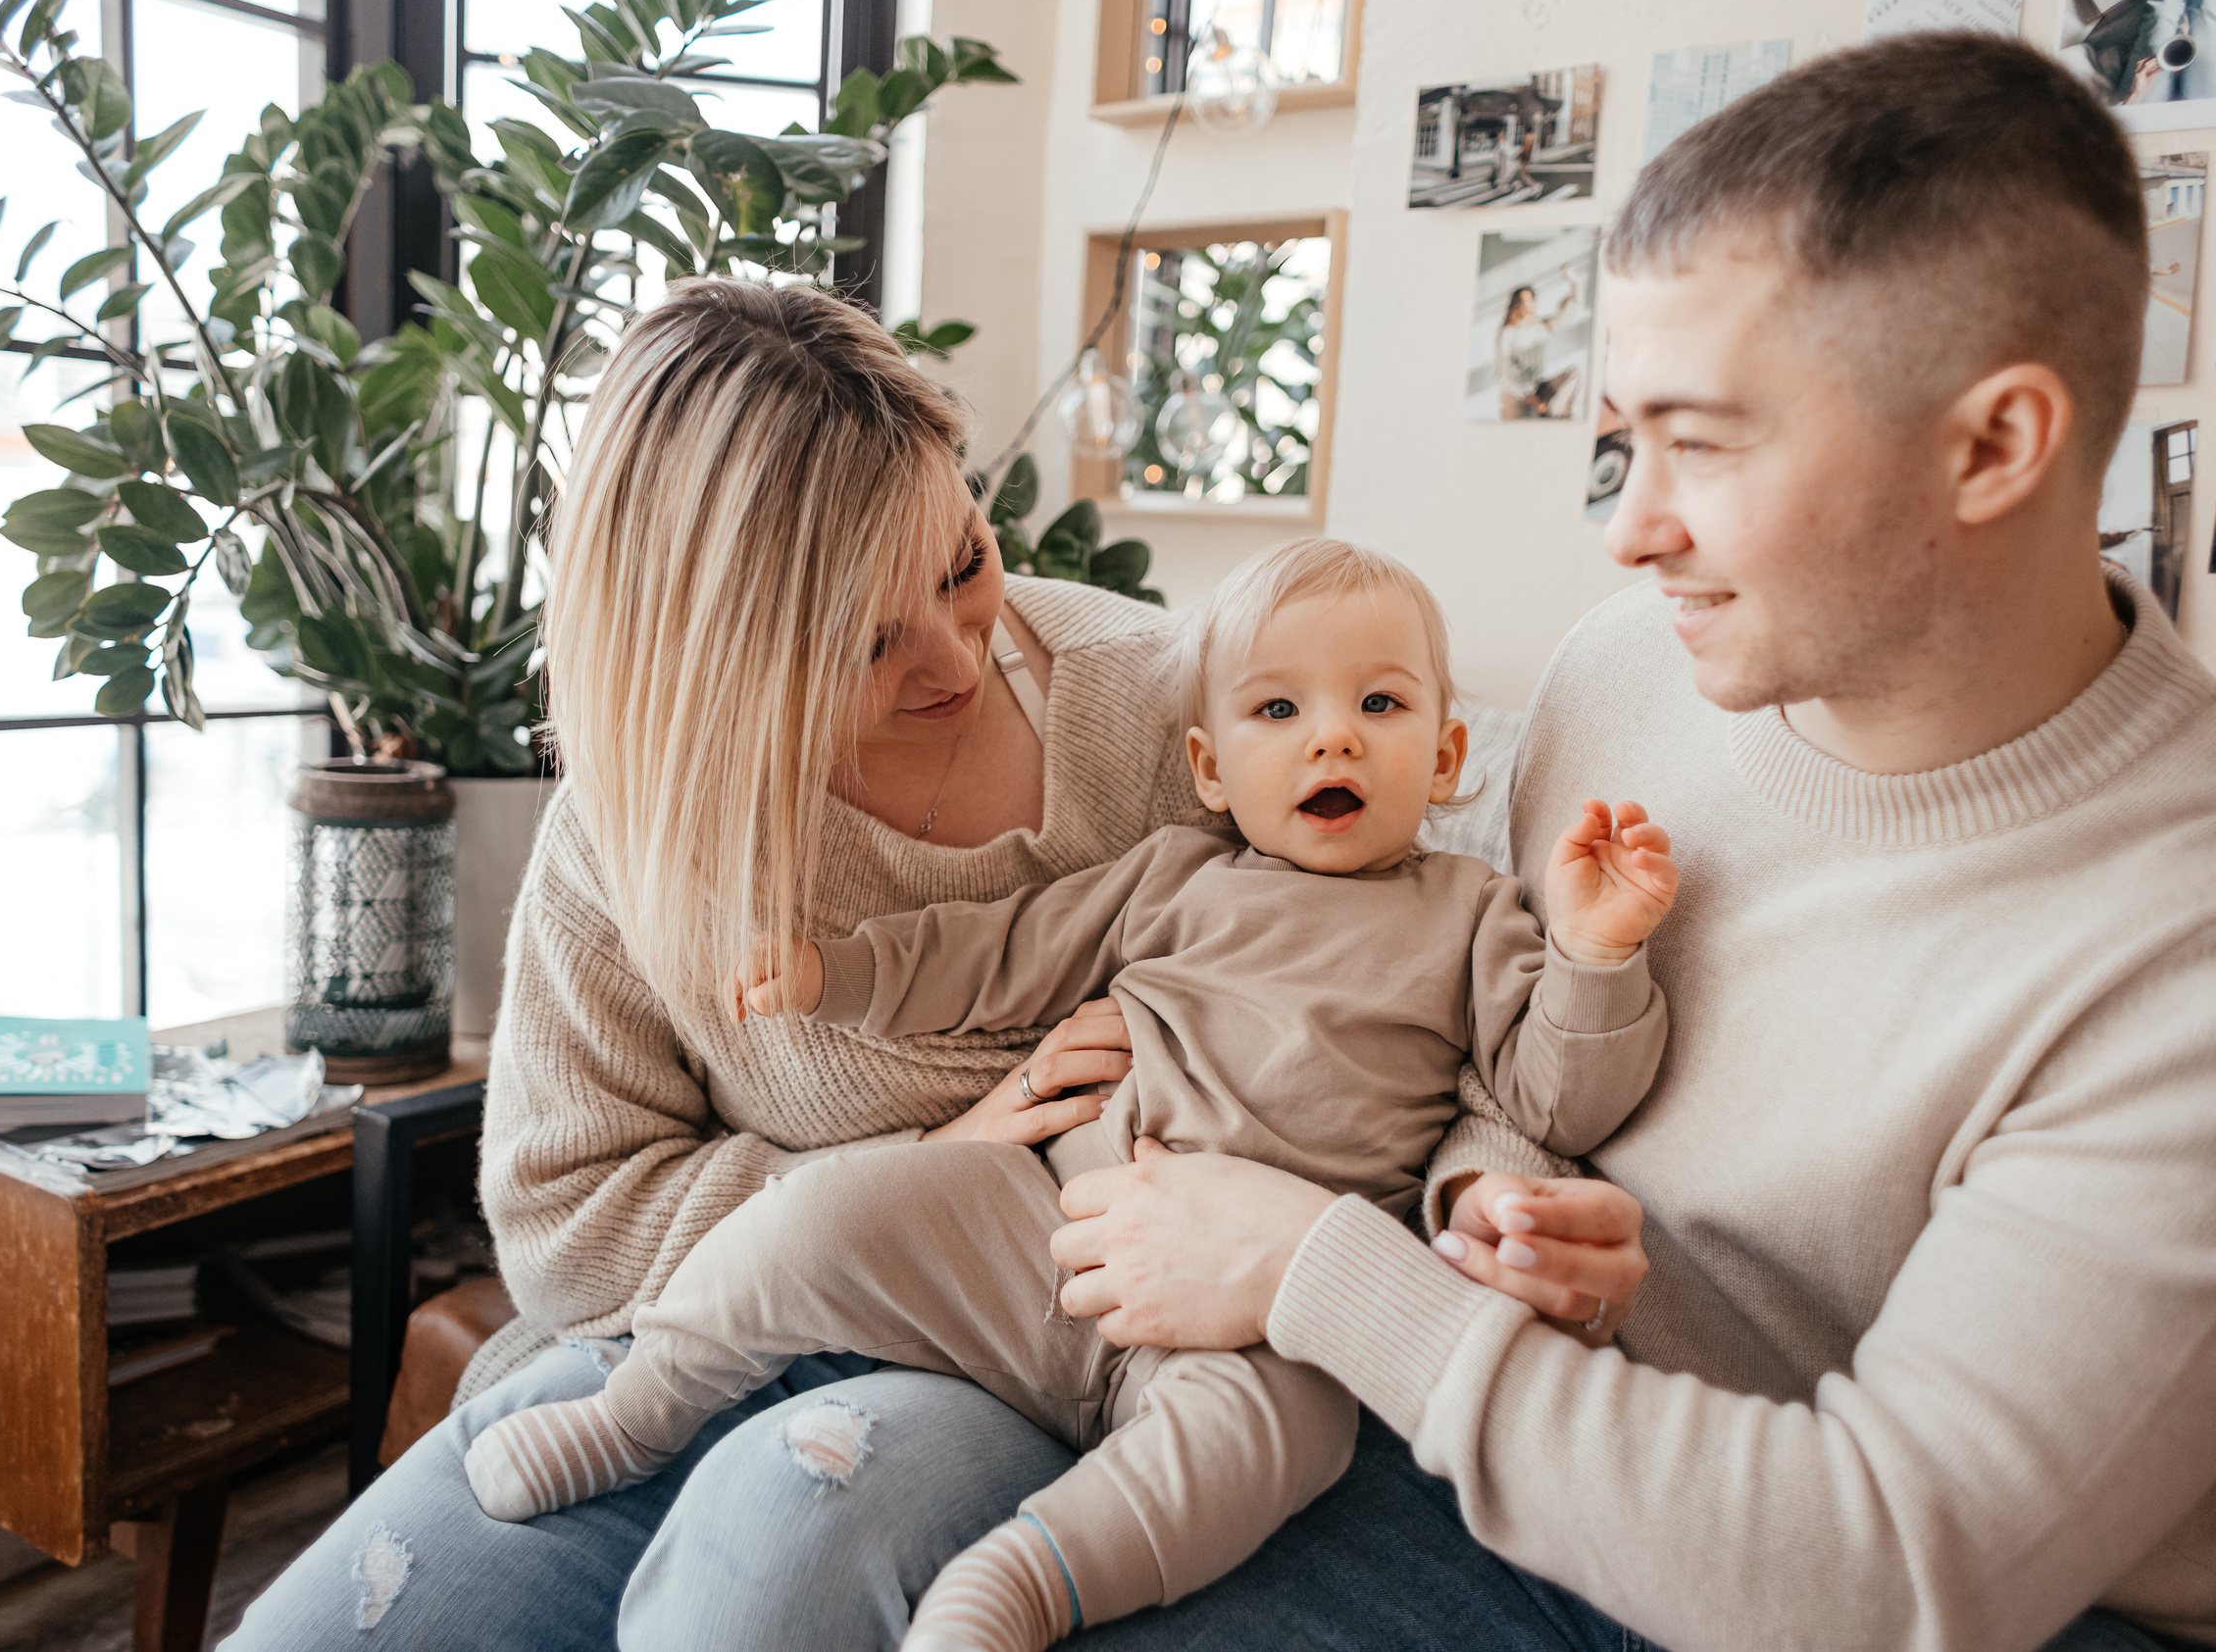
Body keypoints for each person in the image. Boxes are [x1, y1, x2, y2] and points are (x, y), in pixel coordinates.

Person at [1033, 31, 2216, 1652]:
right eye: (1623, 436)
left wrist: (1327, 1266)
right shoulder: (1630, 669)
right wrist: (1497, 1209)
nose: (1628, 524)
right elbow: (1512, 1083)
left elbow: (1891, 1568)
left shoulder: (2179, 950)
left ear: (1994, 446)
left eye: (1705, 442)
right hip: (1551, 1446)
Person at [219, 284, 1600, 1650]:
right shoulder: (636, 832)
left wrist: (1475, 1193)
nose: (955, 652)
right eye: (867, 639)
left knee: (777, 1548)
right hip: (711, 1316)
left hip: (1042, 1336)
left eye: (961, 561)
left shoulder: (1181, 707)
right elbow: (569, 1224)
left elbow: (1428, 980)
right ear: (713, 659)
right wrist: (939, 1150)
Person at [460, 537, 1677, 1652]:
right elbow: (986, 954)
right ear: (1205, 765)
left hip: (1257, 1320)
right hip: (1044, 1228)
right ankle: (637, 1413)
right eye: (1276, 710)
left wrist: (1597, 956)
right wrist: (833, 976)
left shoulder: (1478, 918)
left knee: (1281, 1445)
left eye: (1379, 704)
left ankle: (1021, 1589)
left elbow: (1555, 1100)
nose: (1332, 739)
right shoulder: (1169, 880)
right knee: (823, 1218)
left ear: (1451, 754)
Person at [1494, 269, 1583, 421]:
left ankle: (1556, 412)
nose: (1531, 304)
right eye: (1527, 300)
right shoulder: (1507, 334)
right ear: (1516, 304)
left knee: (1574, 375)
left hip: (1541, 387)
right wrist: (1525, 395)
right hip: (1518, 393)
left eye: (1533, 299)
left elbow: (1569, 314)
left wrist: (1574, 281)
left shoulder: (1540, 327)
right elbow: (1504, 372)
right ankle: (1546, 411)